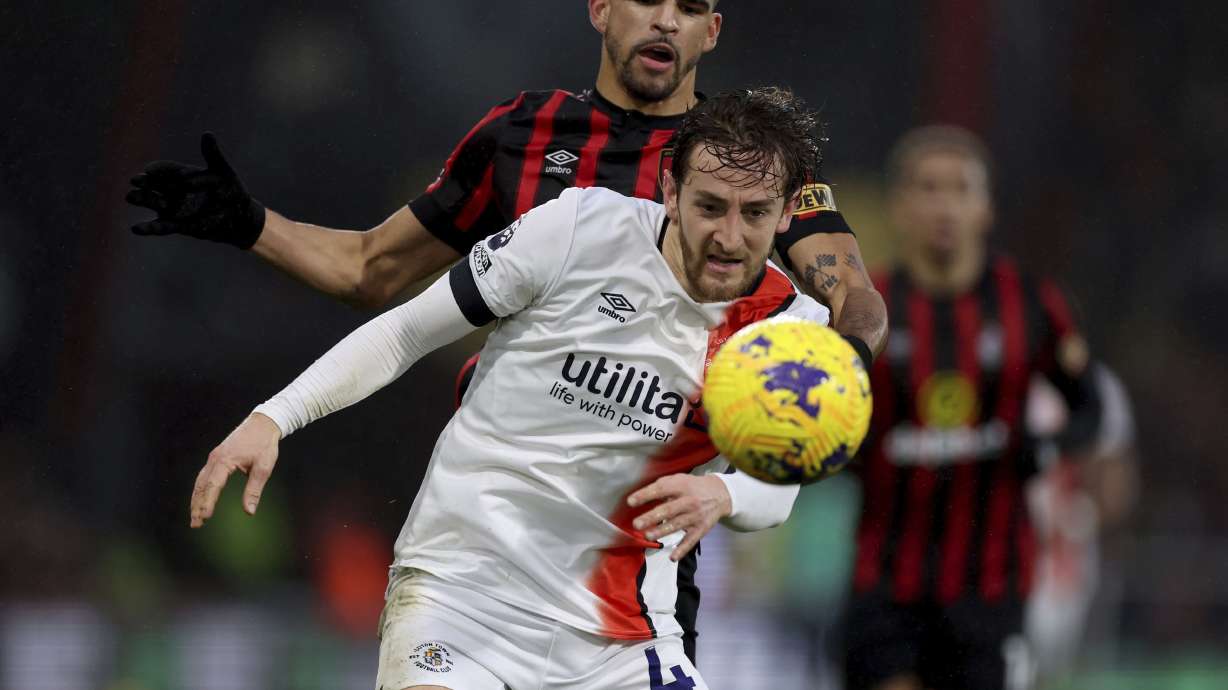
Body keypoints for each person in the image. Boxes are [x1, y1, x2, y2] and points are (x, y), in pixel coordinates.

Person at [127, 0, 888, 660]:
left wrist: (828, 388)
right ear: (599, 10)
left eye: (688, 8)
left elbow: (853, 298)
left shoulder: (737, 169)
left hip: (634, 560)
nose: (665, 19)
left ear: (712, 31)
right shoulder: (523, 136)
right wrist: (250, 225)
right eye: (647, 2)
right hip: (493, 530)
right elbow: (374, 271)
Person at [841, 125, 1102, 690]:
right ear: (899, 207)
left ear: (986, 208)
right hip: (885, 579)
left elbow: (1090, 408)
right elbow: (830, 416)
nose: (945, 206)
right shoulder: (864, 312)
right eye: (928, 188)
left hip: (992, 582)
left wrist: (1048, 449)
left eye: (961, 189)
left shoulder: (1032, 305)